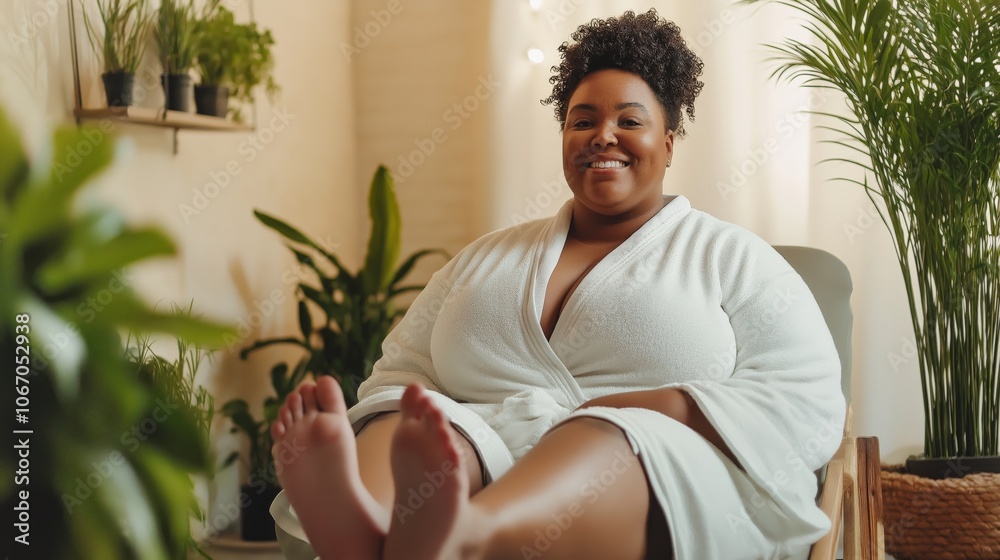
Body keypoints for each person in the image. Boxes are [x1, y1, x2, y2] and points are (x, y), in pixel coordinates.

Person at [269, 9, 845, 560]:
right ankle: (370, 522)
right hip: (480, 451)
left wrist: (637, 405)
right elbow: (402, 370)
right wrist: (429, 417)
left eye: (630, 120)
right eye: (583, 120)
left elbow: (806, 398)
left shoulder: (732, 256)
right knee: (416, 419)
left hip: (651, 463)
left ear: (669, 142)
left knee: (601, 435)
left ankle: (463, 535)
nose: (603, 135)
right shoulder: (485, 257)